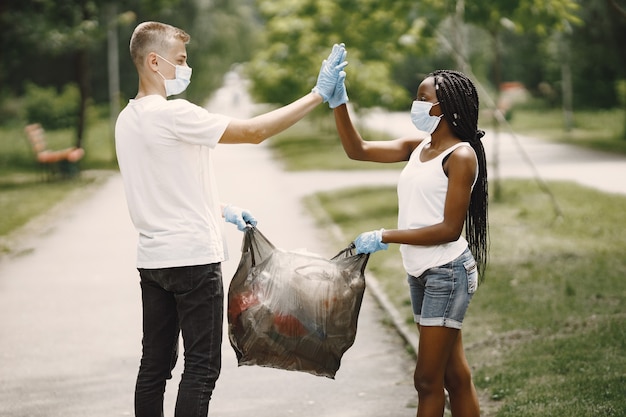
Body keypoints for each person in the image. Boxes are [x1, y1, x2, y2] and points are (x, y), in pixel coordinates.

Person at [114, 21, 346, 417]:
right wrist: (316, 95)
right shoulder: (173, 114)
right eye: (180, 61)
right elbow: (254, 131)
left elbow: (162, 188)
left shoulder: (126, 120)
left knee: (154, 365)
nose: (186, 69)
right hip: (192, 261)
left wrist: (220, 210)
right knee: (202, 368)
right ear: (155, 61)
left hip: (153, 263)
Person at [328, 69, 488, 417]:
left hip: (447, 272)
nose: (415, 104)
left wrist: (386, 235)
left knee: (427, 381)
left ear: (445, 108)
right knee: (454, 375)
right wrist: (339, 101)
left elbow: (448, 229)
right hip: (420, 271)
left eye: (423, 98)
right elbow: (358, 149)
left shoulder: (460, 156)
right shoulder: (419, 148)